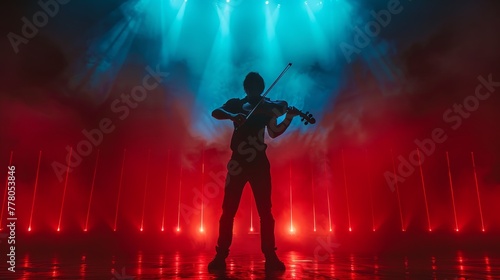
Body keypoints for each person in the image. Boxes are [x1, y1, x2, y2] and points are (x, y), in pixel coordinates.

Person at [208, 72, 299, 272]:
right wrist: (233, 116)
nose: (255, 93)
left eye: (258, 89)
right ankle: (220, 255)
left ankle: (270, 256)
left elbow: (274, 133)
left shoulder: (267, 108)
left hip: (259, 163)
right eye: (251, 89)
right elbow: (216, 112)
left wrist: (289, 118)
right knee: (228, 211)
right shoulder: (236, 104)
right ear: (246, 89)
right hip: (238, 163)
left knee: (265, 212)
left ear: (261, 88)